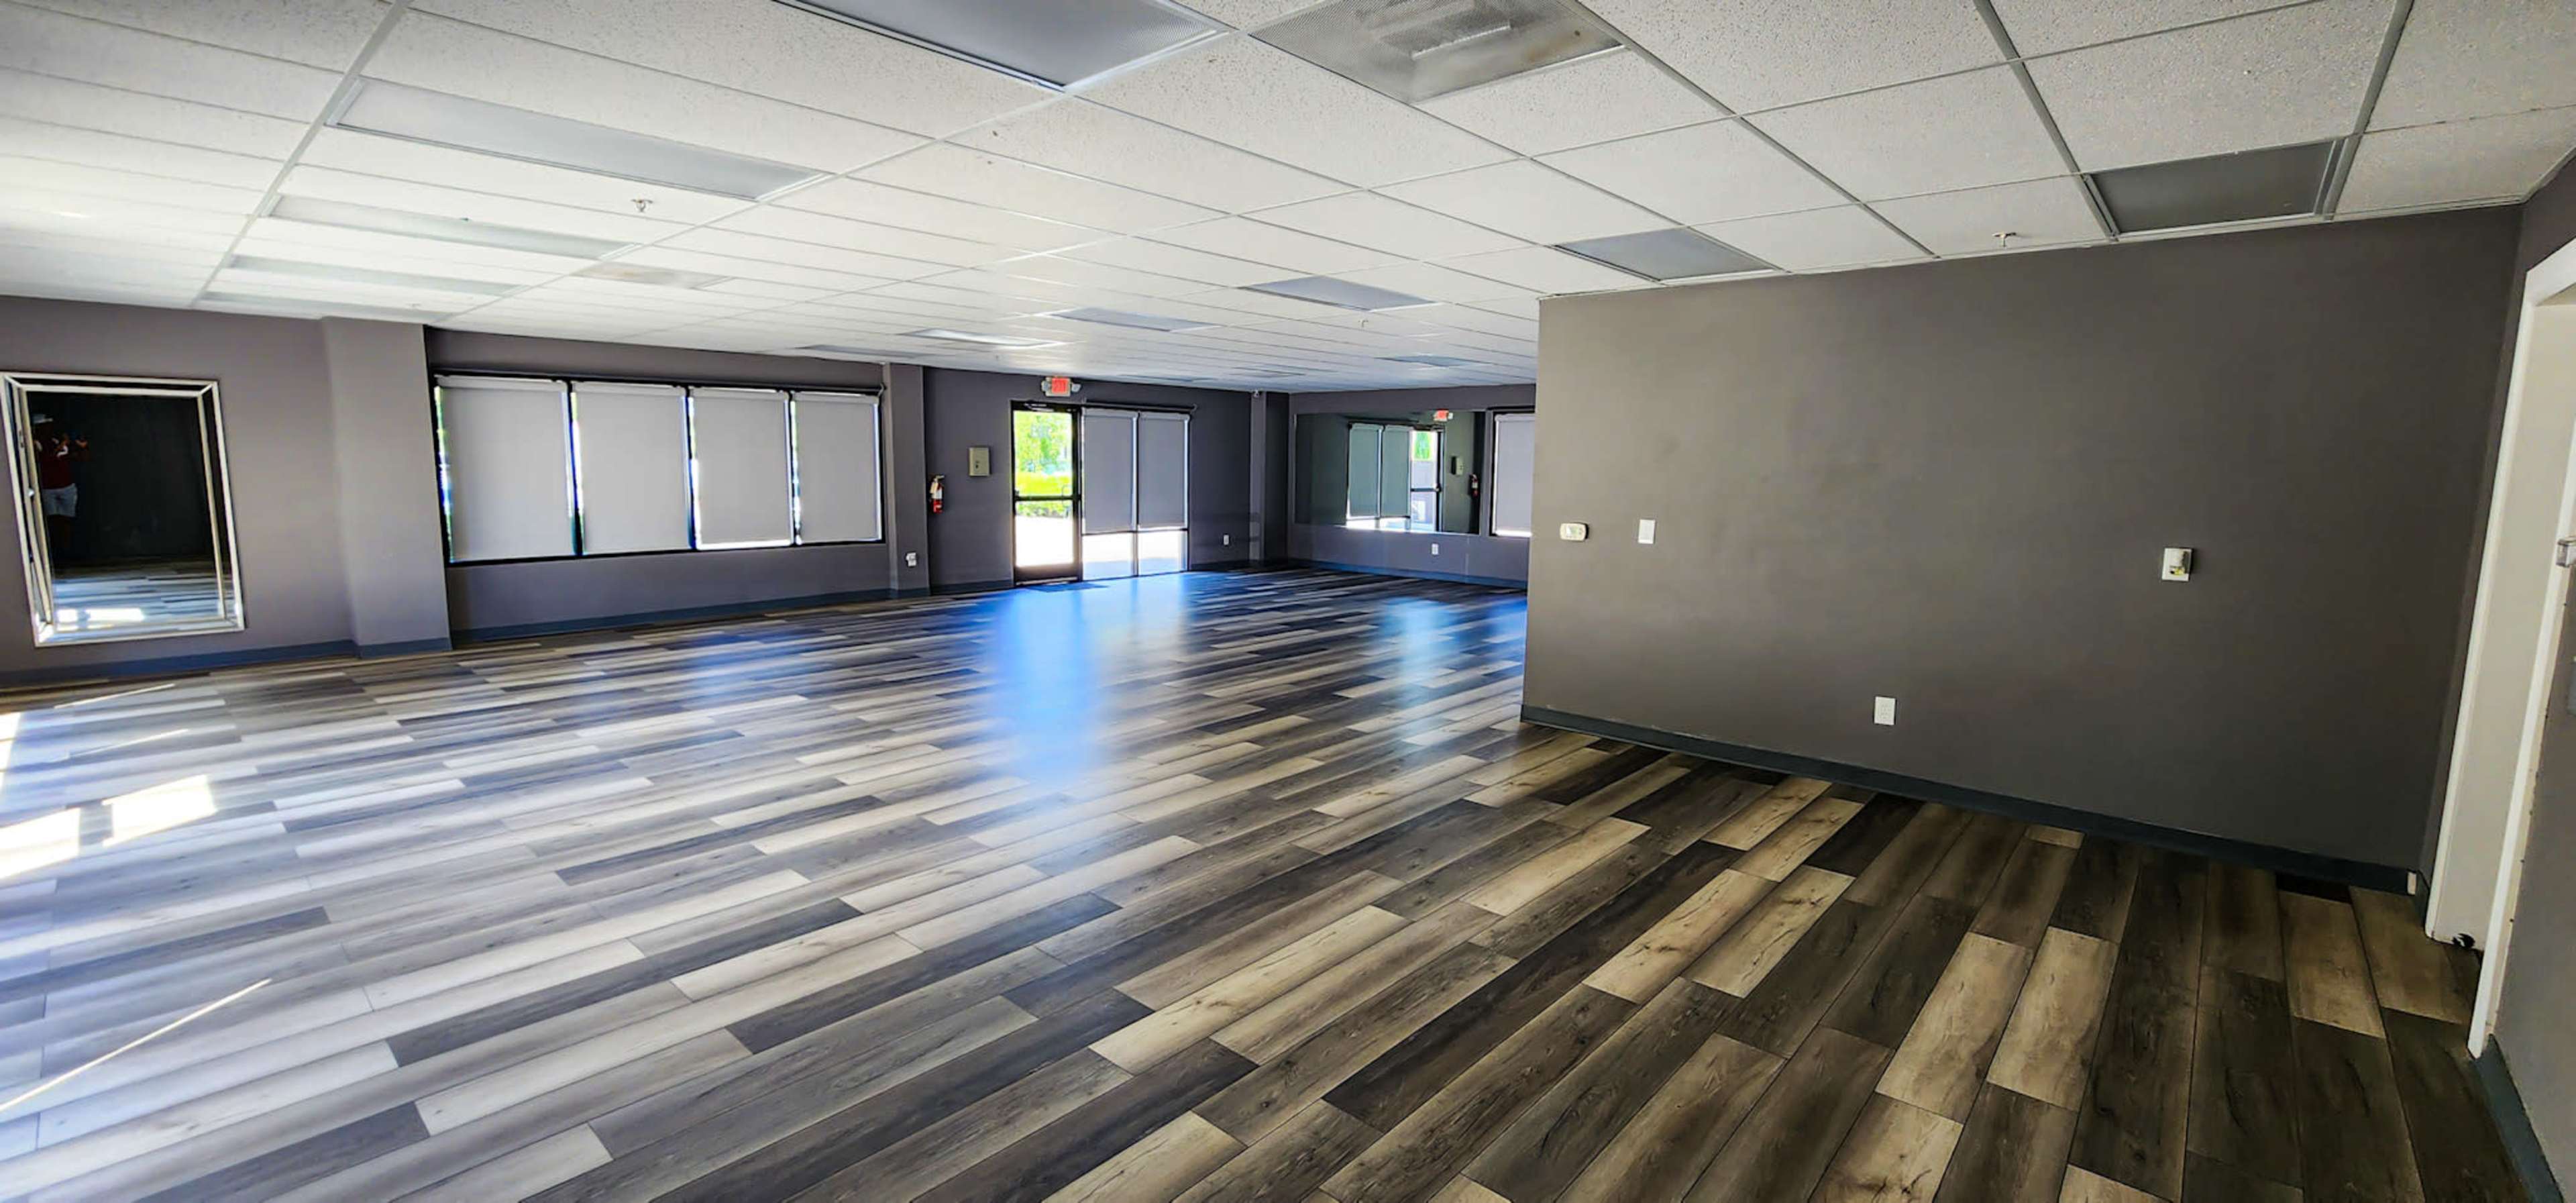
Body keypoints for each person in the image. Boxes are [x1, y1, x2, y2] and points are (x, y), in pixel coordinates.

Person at [32, 413, 87, 554]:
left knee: (67, 519)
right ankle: (53, 551)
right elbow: (45, 460)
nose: (48, 428)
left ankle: (67, 550)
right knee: (52, 520)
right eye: (45, 426)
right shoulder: (36, 443)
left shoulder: (56, 440)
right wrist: (62, 445)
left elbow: (73, 457)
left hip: (66, 485)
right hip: (48, 488)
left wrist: (80, 448)